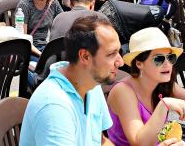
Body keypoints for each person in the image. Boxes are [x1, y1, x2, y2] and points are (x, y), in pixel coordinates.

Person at [20, 15, 123, 146]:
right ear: (85, 56)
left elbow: (100, 141)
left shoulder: (92, 84)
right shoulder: (54, 106)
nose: (120, 61)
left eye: (119, 52)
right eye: (111, 54)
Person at [107, 28, 185, 146]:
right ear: (139, 64)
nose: (167, 64)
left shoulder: (162, 84)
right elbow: (139, 143)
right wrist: (163, 106)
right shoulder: (123, 91)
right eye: (158, 59)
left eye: (170, 57)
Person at [18, 0, 64, 65]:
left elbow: (63, 26)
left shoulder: (54, 4)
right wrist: (42, 54)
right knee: (44, 67)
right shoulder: (25, 5)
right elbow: (23, 40)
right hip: (29, 49)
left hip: (46, 47)